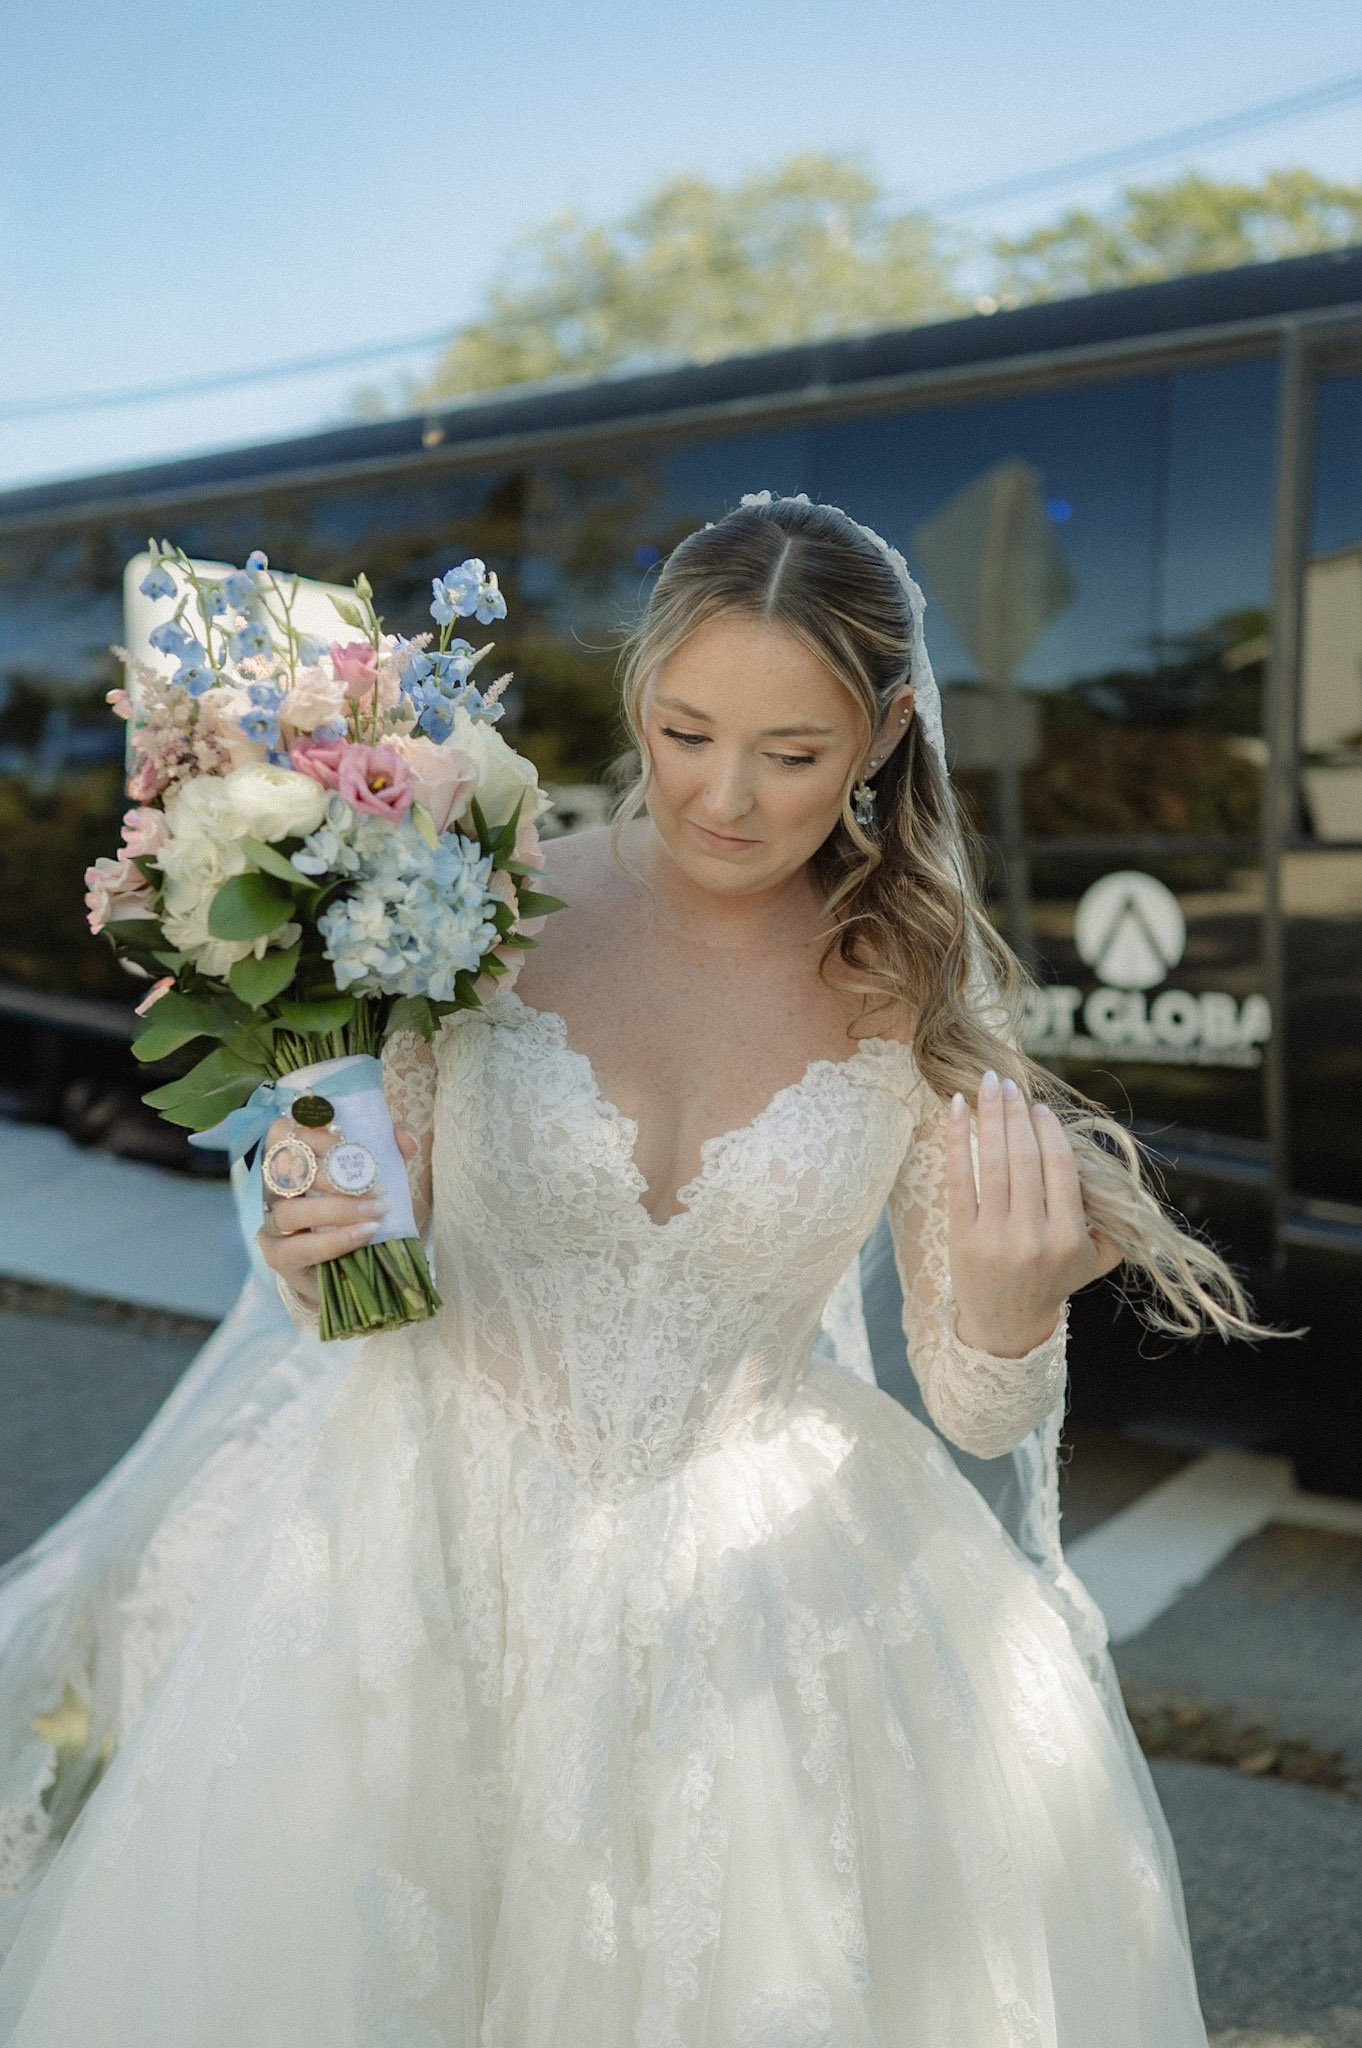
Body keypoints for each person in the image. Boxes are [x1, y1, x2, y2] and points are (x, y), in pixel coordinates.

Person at [0, 493, 1260, 2045]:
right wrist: (303, 1228)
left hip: (765, 1597)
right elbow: (334, 1280)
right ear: (638, 695)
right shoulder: (458, 899)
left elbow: (978, 1407)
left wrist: (1012, 1303)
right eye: (685, 731)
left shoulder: (910, 981)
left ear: (878, 743)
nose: (724, 796)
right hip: (414, 1557)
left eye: (792, 755)